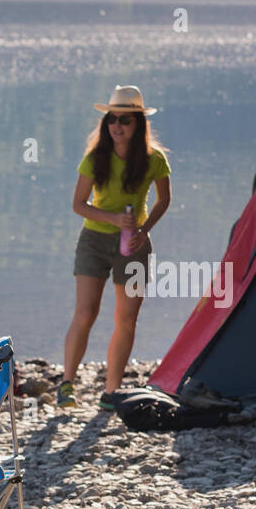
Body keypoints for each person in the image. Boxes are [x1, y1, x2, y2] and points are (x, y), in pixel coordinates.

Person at [61, 85, 171, 410]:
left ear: (138, 124)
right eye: (112, 119)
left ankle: (111, 393)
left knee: (126, 320)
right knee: (86, 314)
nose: (117, 126)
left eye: (124, 120)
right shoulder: (95, 158)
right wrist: (112, 218)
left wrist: (143, 229)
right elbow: (79, 205)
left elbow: (164, 200)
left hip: (134, 245)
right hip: (93, 241)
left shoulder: (155, 160)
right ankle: (67, 384)